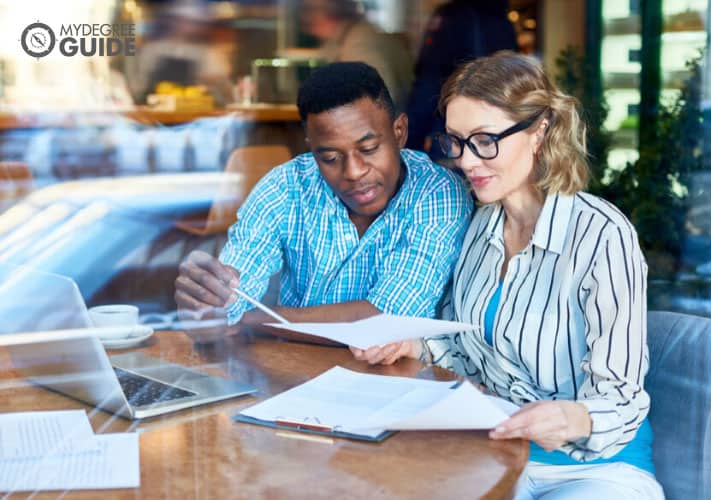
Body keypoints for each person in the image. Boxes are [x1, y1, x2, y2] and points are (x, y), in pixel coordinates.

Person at [351, 52, 664, 498]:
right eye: (457, 142)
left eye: (484, 140)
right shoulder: (480, 226)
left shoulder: (602, 236)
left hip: (594, 469)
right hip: (494, 456)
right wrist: (413, 344)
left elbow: (622, 397)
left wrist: (573, 418)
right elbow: (470, 350)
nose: (466, 161)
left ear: (540, 130)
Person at [174, 61, 473, 344]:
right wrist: (206, 305)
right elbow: (228, 302)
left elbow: (388, 321)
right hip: (295, 371)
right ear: (312, 150)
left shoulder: (437, 193)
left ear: (399, 133)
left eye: (368, 149)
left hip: (398, 381)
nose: (354, 172)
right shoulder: (286, 187)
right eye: (329, 157)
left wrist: (254, 320)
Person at [405, 0, 518, 155]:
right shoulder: (503, 20)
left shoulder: (452, 16)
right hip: (498, 133)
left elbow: (428, 83)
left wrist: (408, 145)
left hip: (456, 132)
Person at [300, 0, 413, 111]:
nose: (305, 17)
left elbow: (379, 104)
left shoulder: (358, 43)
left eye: (310, 9)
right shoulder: (347, 37)